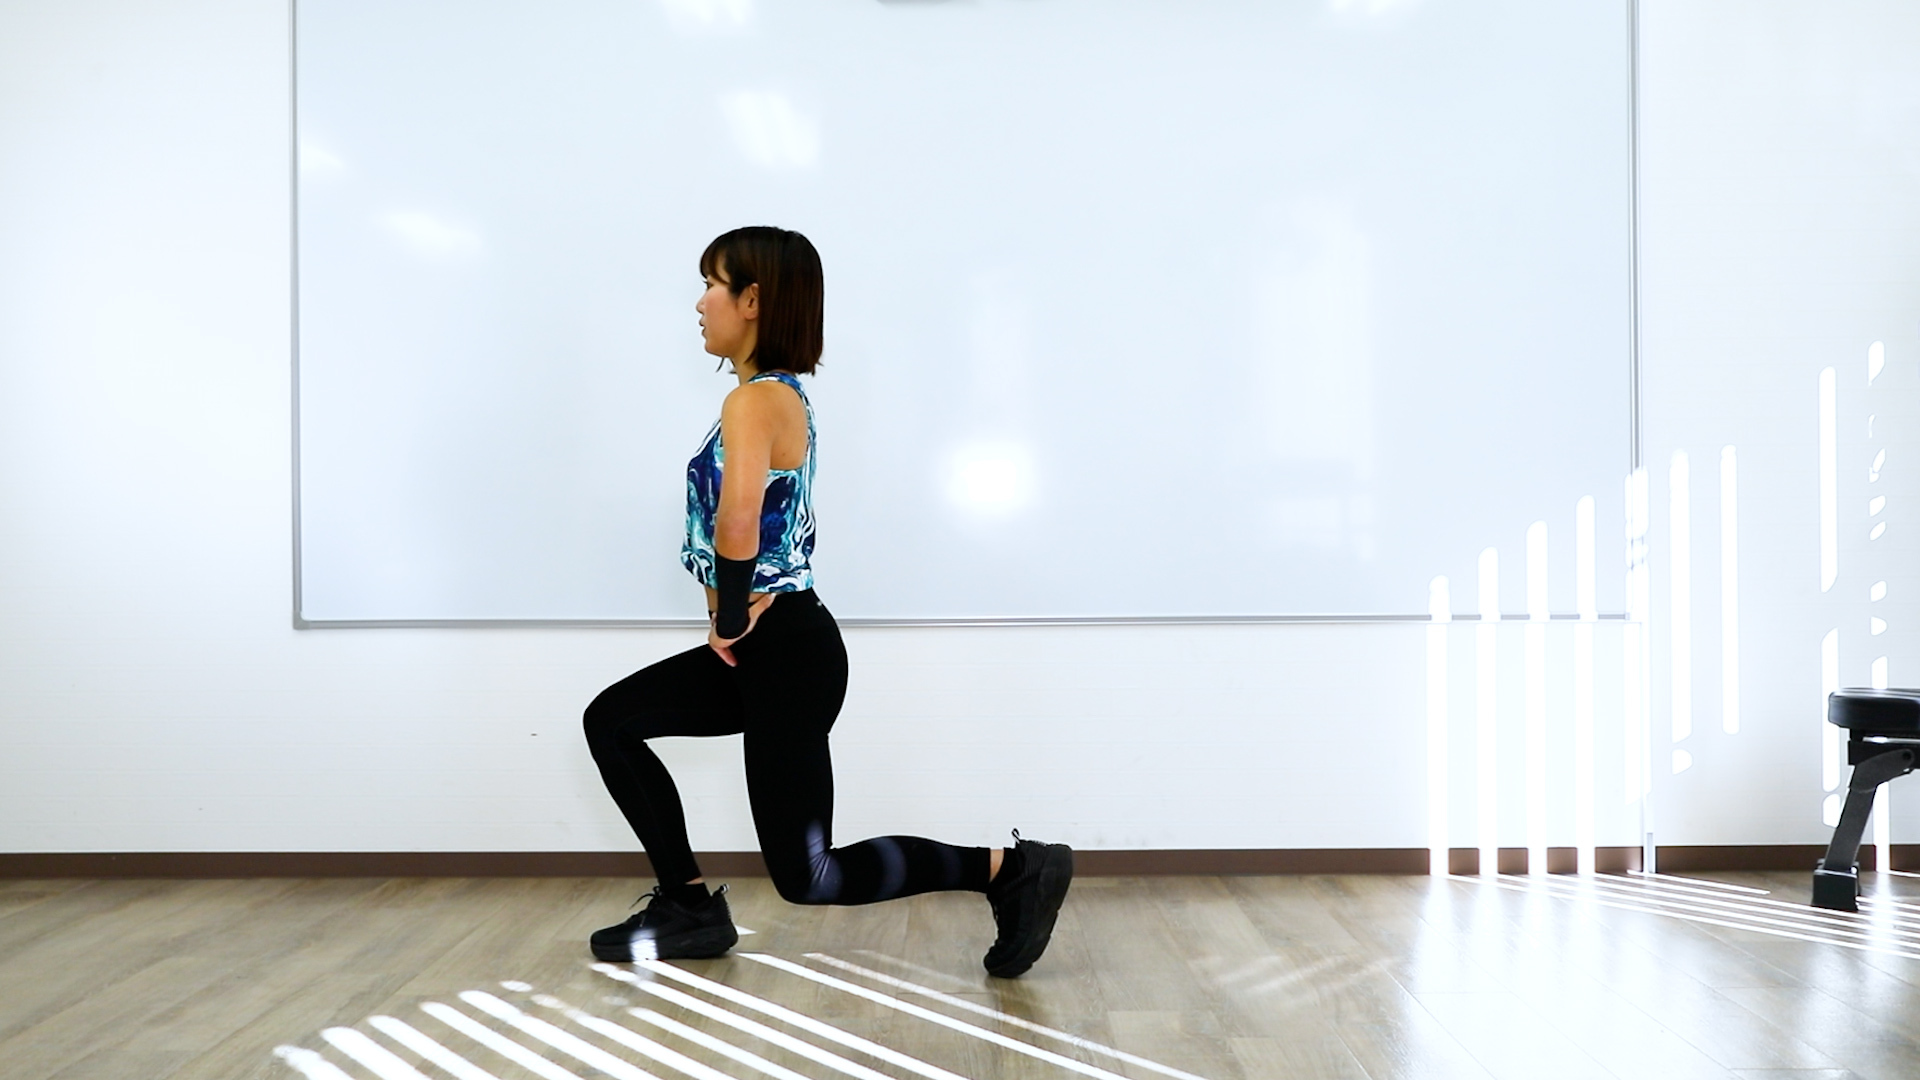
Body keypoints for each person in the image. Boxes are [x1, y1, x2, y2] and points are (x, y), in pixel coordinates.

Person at [582, 226, 1072, 977]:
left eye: (712, 284)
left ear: (753, 300)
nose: (700, 302)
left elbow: (738, 522)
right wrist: (733, 621)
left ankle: (1013, 870)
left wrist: (728, 618)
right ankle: (687, 906)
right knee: (613, 722)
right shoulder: (770, 398)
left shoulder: (756, 401)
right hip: (773, 650)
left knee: (809, 876)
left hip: (786, 655)